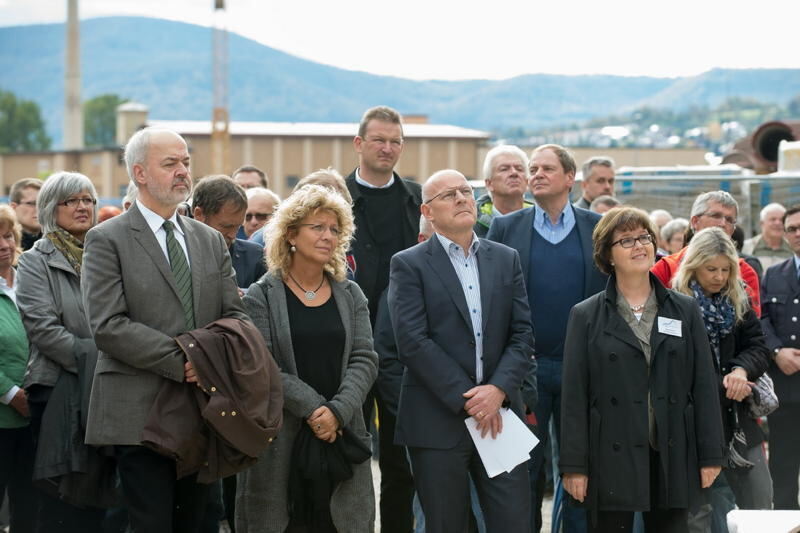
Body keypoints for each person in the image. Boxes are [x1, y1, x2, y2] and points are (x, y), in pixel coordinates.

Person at [80, 127, 248, 533]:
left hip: (202, 408)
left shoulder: (208, 240)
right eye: (170, 163)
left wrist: (207, 363)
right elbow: (108, 325)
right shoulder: (107, 239)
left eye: (186, 162)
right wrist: (186, 360)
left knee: (198, 522)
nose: (182, 172)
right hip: (139, 410)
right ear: (139, 173)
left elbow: (235, 317)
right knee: (150, 523)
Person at [560, 206, 725, 533]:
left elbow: (704, 385)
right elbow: (574, 397)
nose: (639, 246)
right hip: (610, 452)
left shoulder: (684, 309)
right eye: (626, 241)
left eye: (644, 237)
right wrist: (574, 467)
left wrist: (710, 456)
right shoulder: (586, 316)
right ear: (607, 255)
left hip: (671, 447)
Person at [389, 169, 535, 533]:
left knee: (515, 522)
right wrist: (471, 398)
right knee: (446, 524)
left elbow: (522, 334)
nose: (461, 198)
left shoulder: (505, 259)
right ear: (427, 211)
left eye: (465, 191)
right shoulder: (408, 264)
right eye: (448, 194)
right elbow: (412, 341)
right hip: (437, 419)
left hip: (500, 417)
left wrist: (497, 390)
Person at [236, 184, 377, 533]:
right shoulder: (260, 295)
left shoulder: (350, 292)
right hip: (283, 439)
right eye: (318, 227)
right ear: (291, 234)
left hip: (341, 435)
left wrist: (337, 411)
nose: (328, 236)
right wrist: (315, 409)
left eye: (334, 229)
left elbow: (365, 358)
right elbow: (264, 366)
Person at [486, 143, 607, 533]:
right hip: (526, 372)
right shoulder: (506, 227)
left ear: (570, 179)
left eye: (545, 169)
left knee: (578, 471)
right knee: (523, 472)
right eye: (532, 168)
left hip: (582, 369)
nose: (535, 174)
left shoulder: (596, 228)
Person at [16, 171, 111, 531]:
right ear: (49, 209)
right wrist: (100, 360)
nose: (82, 207)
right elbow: (42, 328)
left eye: (87, 199)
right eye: (71, 201)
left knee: (98, 494)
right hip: (58, 387)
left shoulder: (106, 254)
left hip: (108, 389)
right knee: (60, 500)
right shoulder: (34, 261)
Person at [345, 105, 421, 533]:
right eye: (379, 140)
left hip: (401, 349)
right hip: (346, 344)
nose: (387, 148)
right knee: (344, 455)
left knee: (400, 462)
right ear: (360, 143)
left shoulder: (417, 199)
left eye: (395, 141)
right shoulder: (333, 196)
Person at [673, 227, 772, 527]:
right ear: (694, 265)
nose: (718, 276)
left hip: (737, 421)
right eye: (711, 269)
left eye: (725, 269)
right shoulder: (673, 305)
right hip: (694, 425)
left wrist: (741, 370)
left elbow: (758, 347)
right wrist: (725, 382)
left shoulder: (738, 297)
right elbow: (674, 365)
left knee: (759, 500)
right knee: (702, 512)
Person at [652, 191, 761, 317]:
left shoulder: (745, 272)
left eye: (730, 220)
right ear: (695, 221)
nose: (722, 224)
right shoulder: (665, 268)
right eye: (716, 216)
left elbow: (752, 330)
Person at [760, 203, 800, 510]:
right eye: (791, 229)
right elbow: (760, 319)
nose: (798, 234)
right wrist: (776, 351)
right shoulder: (773, 274)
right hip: (785, 388)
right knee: (783, 469)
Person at [0, 205, 37, 533]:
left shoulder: (29, 280)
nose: (3, 243)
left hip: (36, 412)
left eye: (8, 234)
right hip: (3, 415)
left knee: (29, 504)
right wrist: (10, 394)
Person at [192, 175, 266, 289]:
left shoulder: (255, 257)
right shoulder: (176, 256)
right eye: (226, 226)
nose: (233, 235)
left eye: (238, 227)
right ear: (199, 214)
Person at [474, 145, 533, 237]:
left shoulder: (542, 221)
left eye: (519, 169)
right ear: (489, 183)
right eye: (504, 169)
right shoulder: (471, 226)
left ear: (527, 181)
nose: (514, 173)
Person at [742, 202, 792, 271]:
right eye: (773, 219)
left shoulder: (794, 248)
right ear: (762, 223)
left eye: (781, 220)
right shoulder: (746, 247)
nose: (777, 223)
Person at [9, 178, 43, 250]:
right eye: (32, 203)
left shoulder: (57, 241)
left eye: (43, 203)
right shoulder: (6, 245)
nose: (39, 209)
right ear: (13, 207)